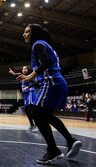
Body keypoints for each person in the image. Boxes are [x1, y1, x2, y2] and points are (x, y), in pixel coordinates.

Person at [16, 24, 82, 164]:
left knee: (36, 114)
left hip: (51, 83)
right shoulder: (45, 45)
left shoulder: (37, 45)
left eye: (27, 32)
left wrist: (30, 76)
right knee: (45, 115)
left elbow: (45, 63)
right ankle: (70, 141)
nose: (24, 34)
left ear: (35, 34)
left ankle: (53, 150)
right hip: (58, 83)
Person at [9, 66, 38, 132]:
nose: (24, 70)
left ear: (28, 70)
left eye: (25, 69)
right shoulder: (22, 75)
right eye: (23, 69)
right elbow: (19, 75)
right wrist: (13, 73)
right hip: (26, 94)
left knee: (31, 110)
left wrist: (28, 87)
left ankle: (36, 125)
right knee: (27, 111)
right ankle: (31, 125)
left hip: (30, 93)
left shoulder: (30, 76)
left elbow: (36, 83)